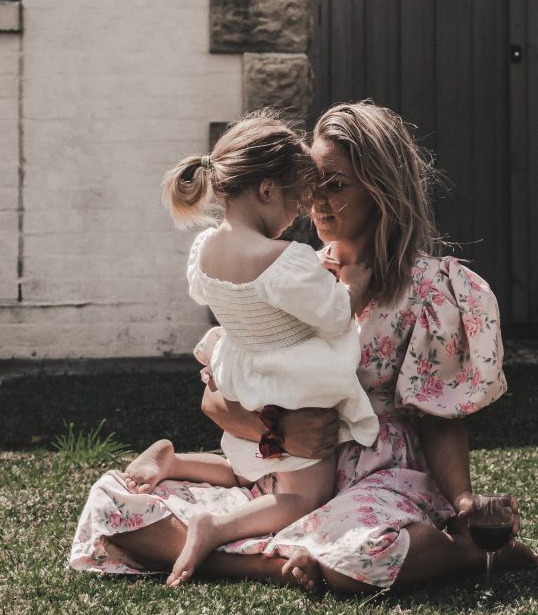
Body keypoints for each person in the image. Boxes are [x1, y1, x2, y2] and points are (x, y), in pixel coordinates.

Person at [69, 101, 538, 593]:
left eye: (334, 184)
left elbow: (440, 418)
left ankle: (449, 553)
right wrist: (280, 433)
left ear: (381, 189)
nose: (314, 199)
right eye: (311, 184)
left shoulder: (427, 290)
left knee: (361, 554)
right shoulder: (287, 273)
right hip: (282, 477)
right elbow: (216, 396)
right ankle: (273, 563)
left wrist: (463, 504)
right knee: (113, 506)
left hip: (374, 481)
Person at [118, 111, 378, 586]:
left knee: (248, 469)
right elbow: (335, 315)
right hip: (292, 382)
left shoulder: (205, 249)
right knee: (304, 493)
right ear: (266, 191)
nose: (300, 214)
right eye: (296, 202)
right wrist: (353, 286)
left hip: (242, 375)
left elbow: (207, 294)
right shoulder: (286, 261)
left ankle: (175, 462)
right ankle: (215, 526)